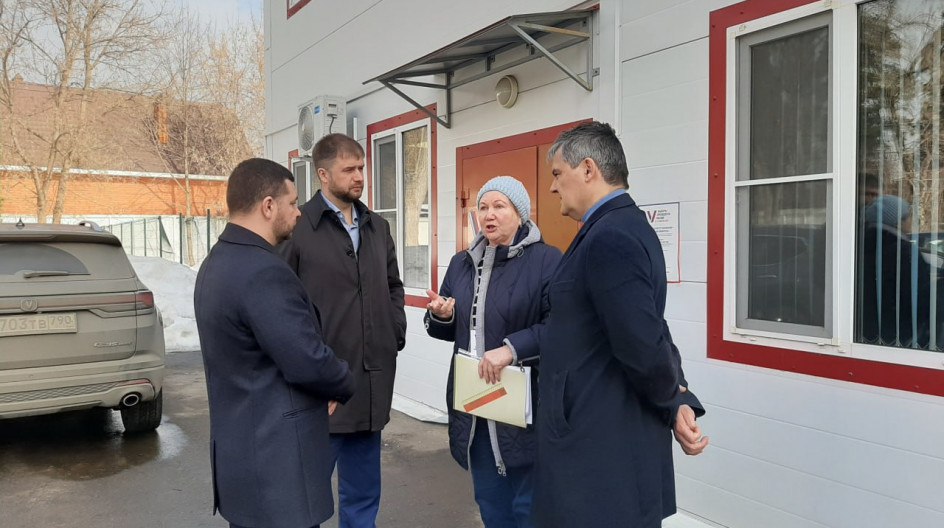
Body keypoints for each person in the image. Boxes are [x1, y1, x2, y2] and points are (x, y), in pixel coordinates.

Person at [528, 121, 708, 528]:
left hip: (600, 451)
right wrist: (675, 396)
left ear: (588, 169)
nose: (552, 187)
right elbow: (649, 325)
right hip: (598, 439)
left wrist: (672, 400)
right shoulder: (615, 228)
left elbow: (641, 340)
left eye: (557, 173)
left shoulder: (611, 236)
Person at [194, 158, 356, 528]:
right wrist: (343, 381)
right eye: (293, 202)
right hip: (276, 472)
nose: (298, 212)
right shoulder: (263, 271)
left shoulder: (216, 261)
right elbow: (306, 360)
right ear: (269, 206)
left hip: (243, 465)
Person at [279, 133, 406, 528]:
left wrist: (393, 332)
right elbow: (281, 304)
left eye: (361, 168)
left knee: (364, 495)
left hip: (370, 386)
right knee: (304, 498)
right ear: (322, 174)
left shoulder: (377, 227)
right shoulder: (298, 227)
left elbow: (393, 286)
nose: (359, 176)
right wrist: (310, 369)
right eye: (348, 169)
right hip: (320, 392)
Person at [424, 176, 562, 528]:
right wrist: (442, 315)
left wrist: (512, 350)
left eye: (500, 206)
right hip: (476, 403)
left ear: (520, 213)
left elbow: (563, 327)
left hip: (525, 404)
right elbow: (446, 329)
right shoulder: (461, 263)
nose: (489, 214)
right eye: (483, 207)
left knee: (529, 507)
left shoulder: (547, 260)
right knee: (490, 503)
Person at [859, 194, 932, 348]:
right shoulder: (903, 250)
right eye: (909, 216)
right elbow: (918, 297)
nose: (911, 221)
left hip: (866, 329)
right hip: (898, 335)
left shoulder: (860, 244)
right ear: (898, 221)